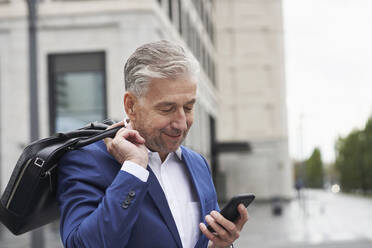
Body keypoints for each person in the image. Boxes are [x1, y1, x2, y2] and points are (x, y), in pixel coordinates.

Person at [57, 40, 249, 248]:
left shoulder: (198, 164)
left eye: (188, 108)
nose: (181, 124)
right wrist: (133, 170)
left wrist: (219, 245)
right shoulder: (85, 159)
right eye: (167, 109)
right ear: (131, 106)